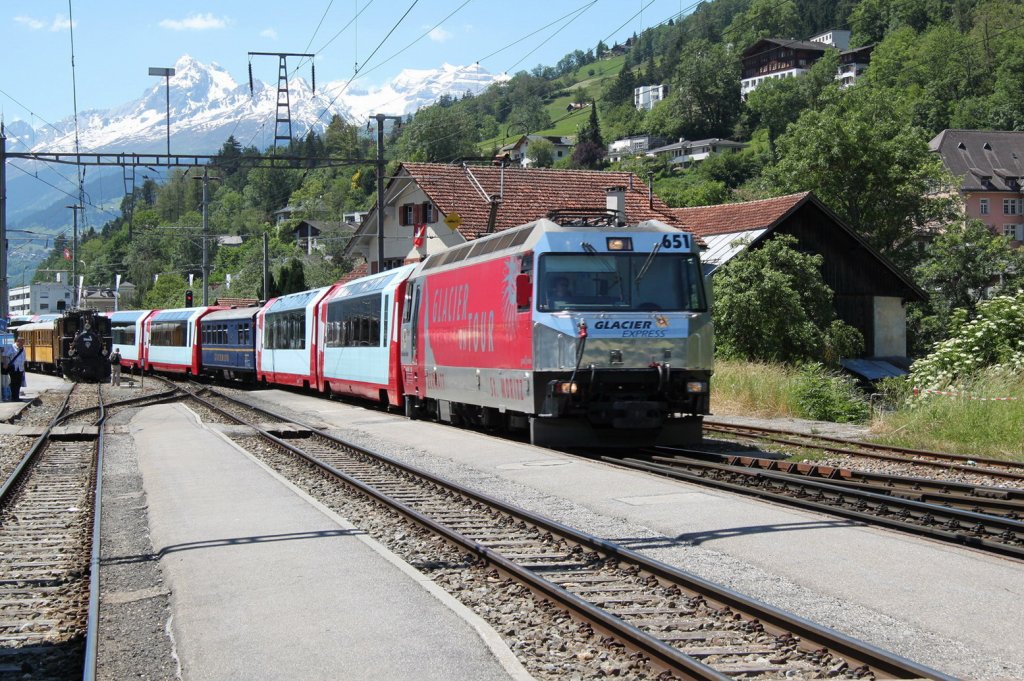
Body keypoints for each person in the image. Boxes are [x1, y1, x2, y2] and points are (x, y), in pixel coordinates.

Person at [3, 337, 27, 402]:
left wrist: (24, 369)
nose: (22, 344)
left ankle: (17, 397)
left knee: (18, 383)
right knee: (14, 382)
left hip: (20, 368)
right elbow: (5, 355)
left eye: (23, 342)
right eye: (21, 342)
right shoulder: (11, 347)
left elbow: (24, 359)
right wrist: (5, 364)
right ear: (17, 341)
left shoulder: (23, 349)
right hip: (13, 367)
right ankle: (14, 397)